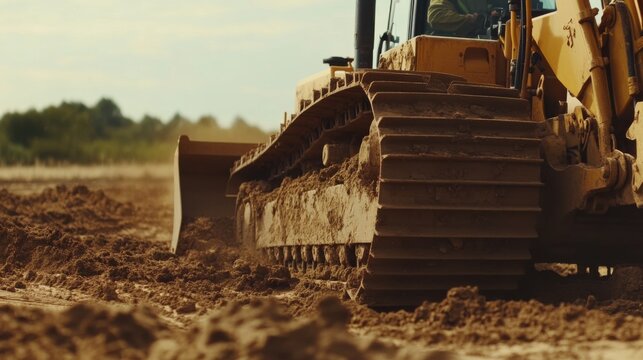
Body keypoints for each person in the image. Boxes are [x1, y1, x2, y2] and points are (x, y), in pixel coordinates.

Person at [427, 0, 497, 37]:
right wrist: (469, 19)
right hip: (454, 48)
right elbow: (435, 16)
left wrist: (493, 13)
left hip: (489, 43)